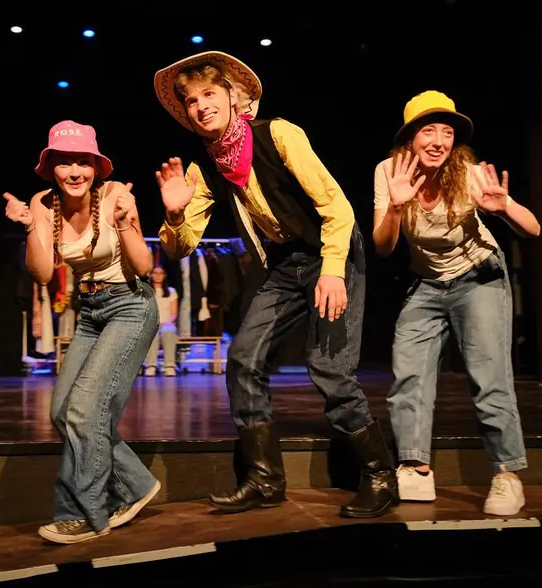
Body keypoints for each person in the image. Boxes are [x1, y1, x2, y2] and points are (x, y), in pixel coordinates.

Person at [153, 51, 398, 518]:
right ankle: (264, 478)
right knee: (243, 360)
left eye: (209, 94)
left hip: (331, 250)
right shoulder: (204, 169)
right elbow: (180, 249)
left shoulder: (278, 134)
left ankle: (380, 476)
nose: (201, 106)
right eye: (191, 101)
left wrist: (333, 271)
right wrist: (174, 214)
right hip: (287, 264)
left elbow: (337, 208)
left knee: (330, 370)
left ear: (233, 97)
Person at [372, 91, 541, 516]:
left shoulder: (468, 174)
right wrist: (395, 208)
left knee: (489, 376)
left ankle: (507, 475)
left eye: (446, 133)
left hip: (478, 277)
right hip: (427, 283)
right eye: (428, 131)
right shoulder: (389, 172)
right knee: (408, 373)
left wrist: (503, 209)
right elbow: (383, 246)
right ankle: (415, 467)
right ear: (409, 138)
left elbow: (534, 229)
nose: (438, 141)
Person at [3, 120, 161, 543]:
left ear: (96, 166)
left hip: (130, 304)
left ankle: (85, 514)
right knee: (62, 413)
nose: (75, 172)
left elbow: (144, 267)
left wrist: (125, 222)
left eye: (83, 162)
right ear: (51, 168)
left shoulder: (116, 196)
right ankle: (136, 484)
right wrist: (30, 227)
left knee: (84, 412)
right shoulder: (43, 204)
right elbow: (42, 273)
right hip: (89, 312)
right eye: (64, 162)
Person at [143, 264, 179, 376]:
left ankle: (169, 366)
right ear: (151, 275)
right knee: (152, 332)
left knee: (168, 331)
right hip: (151, 322)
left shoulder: (171, 291)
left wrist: (167, 322)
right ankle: (151, 366)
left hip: (167, 322)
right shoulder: (146, 291)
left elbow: (174, 313)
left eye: (161, 273)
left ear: (164, 276)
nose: (158, 276)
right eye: (155, 273)